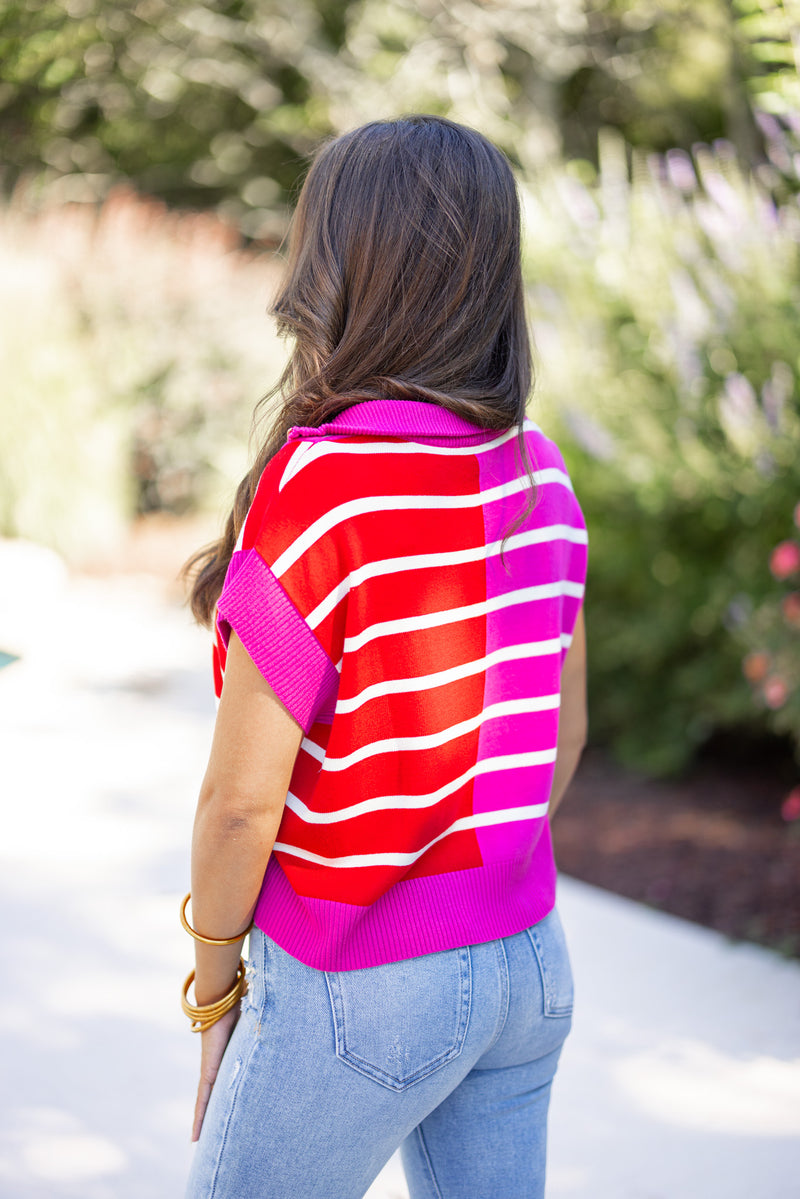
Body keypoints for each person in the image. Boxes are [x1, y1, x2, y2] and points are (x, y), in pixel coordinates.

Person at [180, 113, 588, 1199]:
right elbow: (563, 737)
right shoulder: (539, 475)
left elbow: (236, 807)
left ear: (338, 267)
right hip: (527, 966)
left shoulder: (330, 486)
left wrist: (212, 993)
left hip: (359, 984)